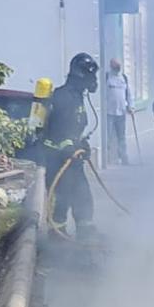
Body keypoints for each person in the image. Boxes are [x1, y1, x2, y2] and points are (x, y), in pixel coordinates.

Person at [42, 52, 99, 243]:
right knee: (62, 200)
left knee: (83, 197)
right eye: (90, 75)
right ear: (80, 75)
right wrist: (69, 147)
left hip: (72, 161)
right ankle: (57, 241)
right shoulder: (63, 97)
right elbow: (58, 132)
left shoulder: (77, 97)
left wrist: (82, 144)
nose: (93, 81)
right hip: (57, 161)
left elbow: (74, 129)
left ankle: (86, 236)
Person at [105, 58, 132, 164]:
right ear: (111, 66)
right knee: (109, 136)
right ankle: (110, 158)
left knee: (122, 136)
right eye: (115, 66)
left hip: (121, 112)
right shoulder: (107, 77)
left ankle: (124, 157)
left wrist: (131, 106)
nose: (117, 68)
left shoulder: (123, 78)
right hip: (109, 112)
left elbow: (128, 94)